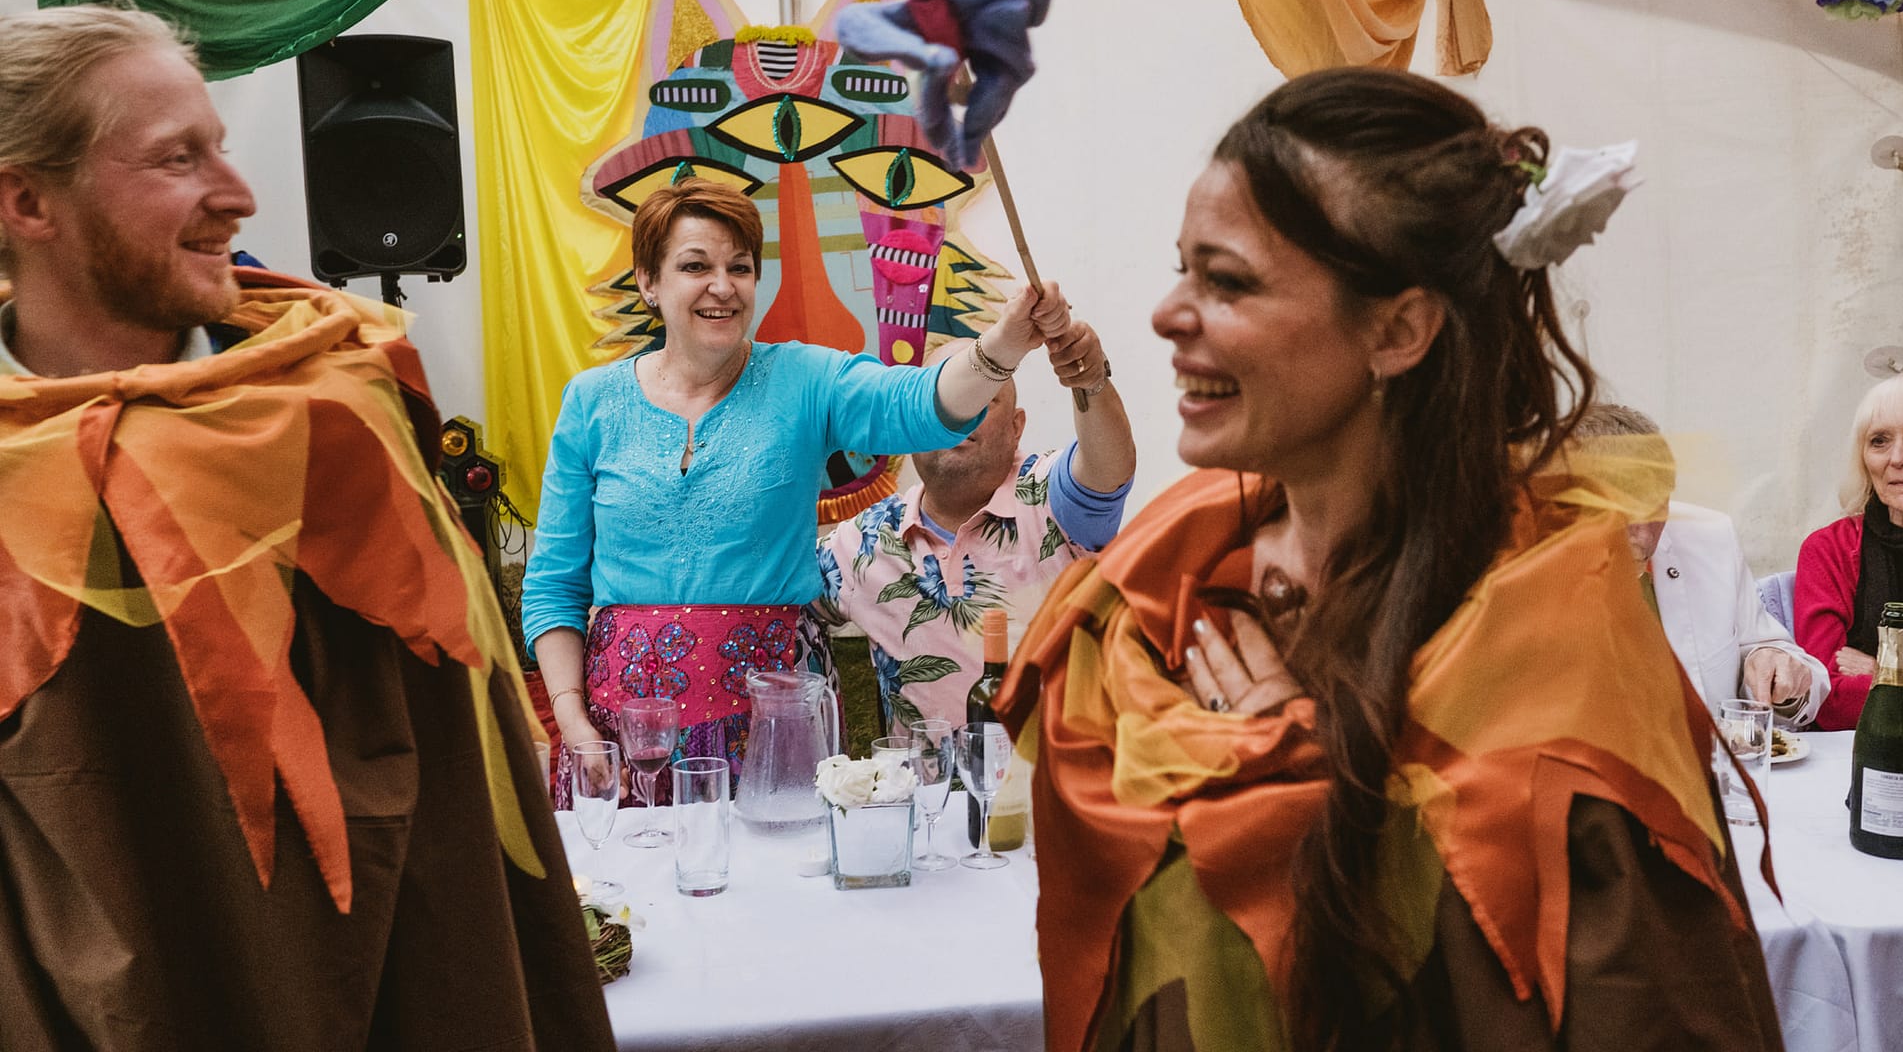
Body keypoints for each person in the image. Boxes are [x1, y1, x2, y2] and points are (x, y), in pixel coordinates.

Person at [997, 69, 1783, 1051]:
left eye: (1228, 280)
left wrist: (1304, 795)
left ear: (1399, 330)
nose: (1167, 313)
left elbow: (1634, 1007)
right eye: (1183, 268)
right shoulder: (1162, 586)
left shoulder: (1560, 641)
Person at [0, 4, 611, 1050]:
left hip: (391, 989)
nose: (237, 195)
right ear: (26, 201)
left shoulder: (336, 417)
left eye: (219, 147)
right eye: (177, 157)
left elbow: (452, 781)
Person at [520, 177, 1067, 796]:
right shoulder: (592, 402)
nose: (722, 286)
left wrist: (1005, 343)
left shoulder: (805, 379)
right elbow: (554, 585)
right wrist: (573, 719)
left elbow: (919, 405)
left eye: (740, 267)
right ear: (649, 281)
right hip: (625, 735)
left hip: (775, 719)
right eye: (695, 266)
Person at [812, 327, 1137, 732]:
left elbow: (1108, 467)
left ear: (1016, 427)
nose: (961, 414)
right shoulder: (863, 543)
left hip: (1057, 772)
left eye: (983, 397)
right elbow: (777, 604)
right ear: (911, 423)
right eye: (942, 400)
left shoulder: (1050, 498)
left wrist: (1090, 379)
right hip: (919, 775)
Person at [1576, 403, 1825, 727]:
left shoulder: (1710, 537)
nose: (1644, 535)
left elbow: (1766, 651)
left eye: (1655, 506)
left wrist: (1777, 668)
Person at [1795, 371, 1903, 730]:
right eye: (1879, 441)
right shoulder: (1828, 550)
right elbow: (1826, 699)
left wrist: (1880, 669)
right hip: (1855, 752)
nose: (1898, 457)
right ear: (1862, 458)